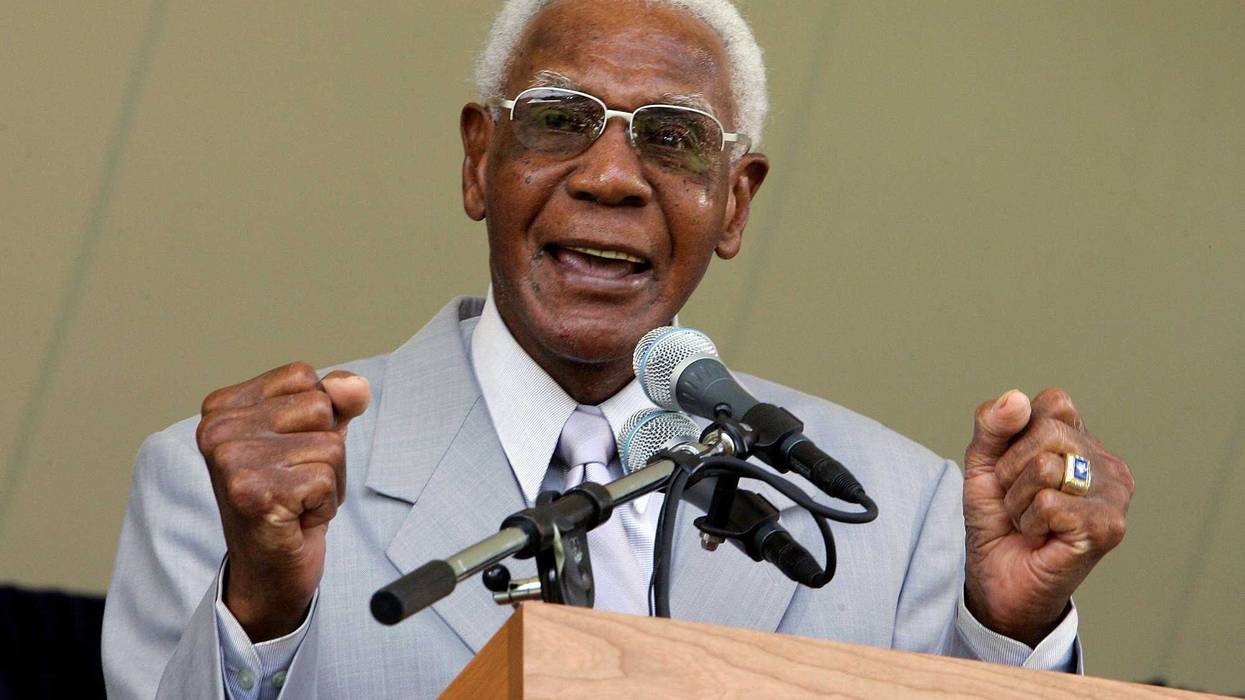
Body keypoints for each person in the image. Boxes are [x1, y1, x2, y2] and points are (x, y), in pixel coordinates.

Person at [102, 1, 1135, 697]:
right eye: (559, 121)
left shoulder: (899, 515)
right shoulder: (241, 493)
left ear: (734, 202)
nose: (609, 177)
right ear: (478, 160)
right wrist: (263, 603)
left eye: (672, 137)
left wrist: (1011, 634)